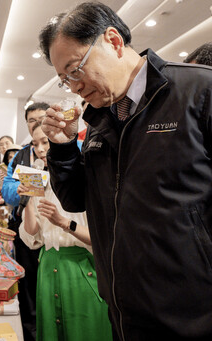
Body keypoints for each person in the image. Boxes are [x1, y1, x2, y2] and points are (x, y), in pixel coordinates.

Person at [39, 2, 212, 339]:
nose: (73, 86)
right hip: (123, 315)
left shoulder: (198, 92)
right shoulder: (101, 119)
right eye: (64, 80)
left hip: (195, 319)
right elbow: (76, 200)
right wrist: (62, 147)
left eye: (75, 70)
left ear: (114, 41)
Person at [19, 122, 112, 341]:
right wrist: (30, 198)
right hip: (48, 268)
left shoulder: (85, 177)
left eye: (45, 141)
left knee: (85, 331)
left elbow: (102, 239)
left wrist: (63, 222)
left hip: (81, 270)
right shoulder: (38, 178)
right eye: (36, 144)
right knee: (52, 332)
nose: (41, 149)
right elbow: (32, 237)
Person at [1, 101, 49, 341]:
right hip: (26, 229)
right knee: (29, 286)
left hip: (59, 233)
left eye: (42, 118)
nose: (37, 124)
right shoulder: (20, 156)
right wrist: (23, 188)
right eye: (32, 121)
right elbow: (7, 188)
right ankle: (31, 331)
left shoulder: (69, 146)